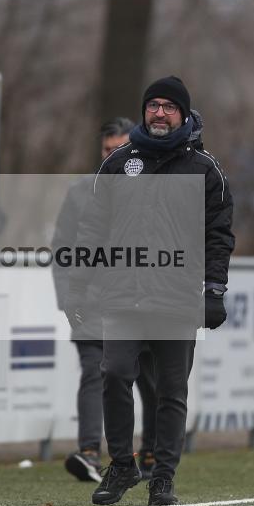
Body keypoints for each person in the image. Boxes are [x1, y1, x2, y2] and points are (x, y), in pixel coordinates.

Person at [66, 76, 234, 506]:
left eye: (169, 106)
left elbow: (219, 236)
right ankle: (122, 465)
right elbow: (92, 229)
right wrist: (77, 285)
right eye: (153, 105)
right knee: (114, 373)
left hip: (177, 301)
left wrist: (214, 290)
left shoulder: (205, 169)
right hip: (123, 295)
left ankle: (163, 477)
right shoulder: (119, 163)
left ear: (183, 113)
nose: (160, 113)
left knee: (169, 392)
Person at [52, 117, 159, 483]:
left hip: (141, 302)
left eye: (120, 148)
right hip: (93, 301)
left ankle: (151, 453)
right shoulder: (81, 192)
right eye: (107, 149)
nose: (112, 155)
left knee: (151, 381)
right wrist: (68, 295)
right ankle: (88, 453)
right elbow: (63, 247)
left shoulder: (155, 188)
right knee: (94, 374)